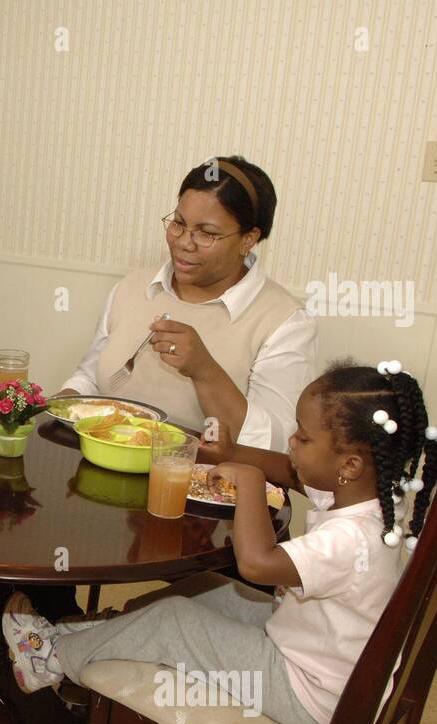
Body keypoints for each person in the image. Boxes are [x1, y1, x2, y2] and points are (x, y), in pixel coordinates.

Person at [6, 360, 437, 724]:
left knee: (176, 620)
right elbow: (294, 473)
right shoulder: (369, 495)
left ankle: (49, 658)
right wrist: (232, 454)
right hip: (318, 654)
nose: (292, 442)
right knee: (199, 589)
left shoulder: (350, 539)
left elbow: (255, 563)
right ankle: (91, 633)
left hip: (311, 693)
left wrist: (249, 482)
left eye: (304, 438)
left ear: (348, 464)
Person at [33, 155, 318, 623]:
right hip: (109, 478)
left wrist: (205, 370)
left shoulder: (284, 320)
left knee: (236, 623)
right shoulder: (133, 288)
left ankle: (85, 649)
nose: (184, 243)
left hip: (211, 508)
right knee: (23, 539)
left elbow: (276, 448)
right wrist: (64, 402)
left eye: (207, 233)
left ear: (250, 239)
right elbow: (91, 376)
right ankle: (56, 643)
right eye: (178, 224)